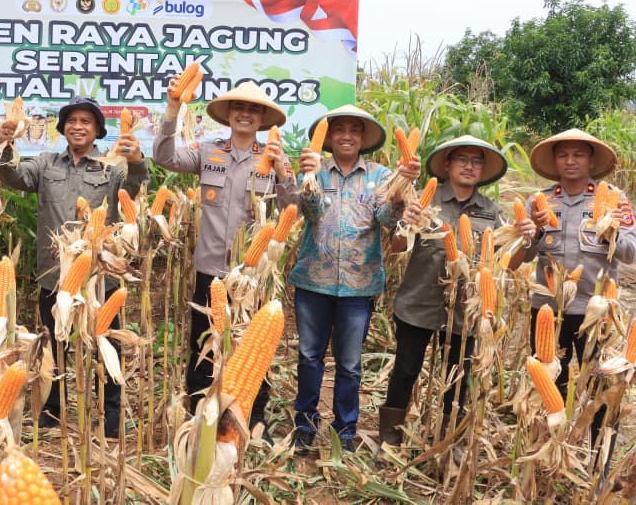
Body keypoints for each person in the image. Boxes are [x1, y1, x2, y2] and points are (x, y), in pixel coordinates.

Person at [0, 96, 148, 437]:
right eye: (72, 120)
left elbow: (132, 193)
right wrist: (5, 144)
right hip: (54, 274)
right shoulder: (46, 164)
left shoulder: (111, 168)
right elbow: (12, 176)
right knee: (54, 343)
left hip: (98, 276)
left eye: (86, 121)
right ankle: (52, 410)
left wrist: (136, 162)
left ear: (97, 131)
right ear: (62, 128)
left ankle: (111, 416)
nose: (78, 126)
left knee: (105, 342)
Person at [152, 80, 294, 438]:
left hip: (252, 276)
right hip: (211, 272)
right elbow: (165, 157)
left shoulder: (276, 156)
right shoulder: (207, 150)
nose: (245, 114)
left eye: (253, 109)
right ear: (229, 116)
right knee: (203, 347)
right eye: (238, 108)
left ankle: (252, 423)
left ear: (262, 118)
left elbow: (295, 208)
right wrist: (173, 109)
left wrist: (283, 174)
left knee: (253, 349)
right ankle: (197, 420)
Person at [290, 105, 419, 451]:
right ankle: (304, 425)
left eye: (354, 130)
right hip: (312, 283)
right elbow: (313, 214)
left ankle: (344, 431)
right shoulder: (317, 171)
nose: (346, 135)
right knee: (308, 357)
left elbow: (387, 220)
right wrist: (309, 178)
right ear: (330, 137)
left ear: (362, 138)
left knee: (349, 365)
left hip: (359, 287)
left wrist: (400, 189)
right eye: (339, 130)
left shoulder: (379, 176)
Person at [380, 135, 511, 446]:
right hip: (418, 303)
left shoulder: (492, 212)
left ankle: (446, 441)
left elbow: (510, 260)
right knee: (405, 371)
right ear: (448, 165)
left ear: (483, 169)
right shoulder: (426, 200)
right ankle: (389, 439)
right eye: (462, 159)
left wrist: (528, 238)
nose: (469, 166)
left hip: (466, 312)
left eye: (476, 161)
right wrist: (404, 222)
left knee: (458, 380)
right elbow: (397, 246)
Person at [519, 128, 636, 449]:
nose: (570, 161)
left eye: (578, 154)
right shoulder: (541, 200)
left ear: (591, 160)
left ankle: (599, 451)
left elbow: (630, 253)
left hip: (595, 311)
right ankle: (548, 449)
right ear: (555, 160)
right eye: (563, 154)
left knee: (600, 383)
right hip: (547, 311)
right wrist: (534, 231)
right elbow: (524, 256)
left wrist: (612, 230)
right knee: (549, 382)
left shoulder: (615, 200)